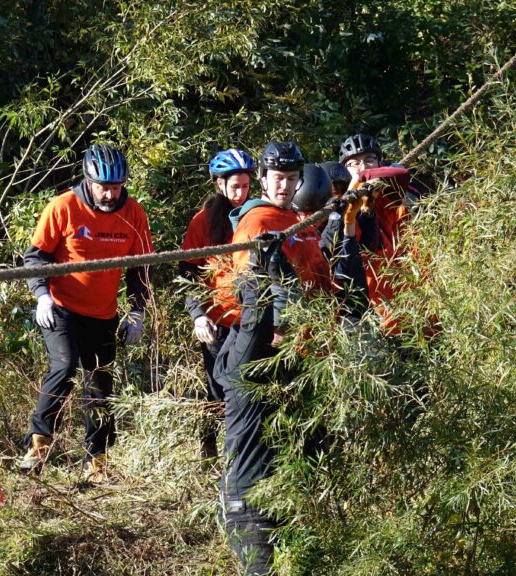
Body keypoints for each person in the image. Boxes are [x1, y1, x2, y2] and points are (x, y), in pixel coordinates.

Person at [214, 141, 368, 575]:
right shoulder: (258, 220)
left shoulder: (299, 223)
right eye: (276, 177)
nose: (283, 185)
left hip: (305, 355)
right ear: (262, 179)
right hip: (267, 350)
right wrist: (270, 287)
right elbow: (250, 297)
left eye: (290, 177)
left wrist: (345, 228)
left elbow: (334, 292)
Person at [19, 143, 153, 484]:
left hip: (103, 313)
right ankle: (39, 443)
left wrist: (137, 312)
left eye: (116, 187)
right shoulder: (63, 207)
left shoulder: (133, 213)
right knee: (63, 367)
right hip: (62, 308)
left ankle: (97, 461)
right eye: (103, 186)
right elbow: (35, 257)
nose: (109, 194)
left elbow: (141, 269)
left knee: (99, 386)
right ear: (88, 180)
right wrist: (41, 296)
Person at [179, 148, 257, 459]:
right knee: (216, 388)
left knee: (248, 387)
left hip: (251, 318)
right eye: (235, 187)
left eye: (246, 186)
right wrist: (197, 315)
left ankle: (242, 453)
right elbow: (187, 271)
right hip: (218, 319)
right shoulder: (203, 222)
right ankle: (209, 450)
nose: (241, 193)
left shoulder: (257, 215)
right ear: (219, 185)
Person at [337, 133, 421, 332]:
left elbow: (399, 174)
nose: (363, 167)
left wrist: (363, 179)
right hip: (371, 299)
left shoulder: (391, 195)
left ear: (380, 162)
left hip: (406, 294)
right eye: (354, 164)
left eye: (369, 160)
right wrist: (355, 187)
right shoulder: (341, 203)